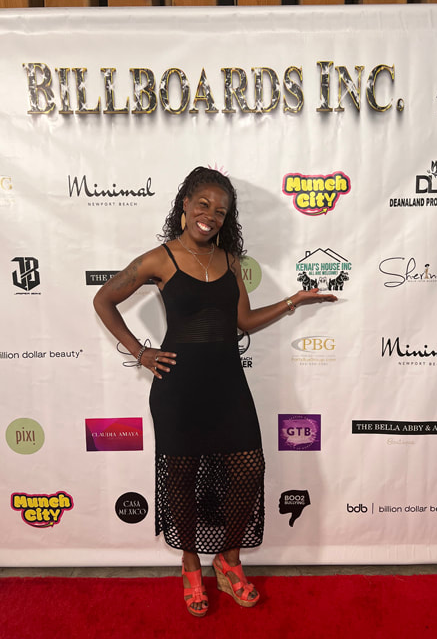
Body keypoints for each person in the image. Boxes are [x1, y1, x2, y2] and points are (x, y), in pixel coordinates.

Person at [93, 166, 337, 617]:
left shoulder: (230, 261)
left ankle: (228, 560)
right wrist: (141, 353)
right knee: (181, 477)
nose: (210, 215)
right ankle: (190, 567)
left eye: (220, 211)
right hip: (178, 389)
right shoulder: (159, 259)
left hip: (228, 385)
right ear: (185, 205)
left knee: (248, 469)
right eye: (203, 204)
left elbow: (243, 321)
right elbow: (103, 299)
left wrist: (293, 302)